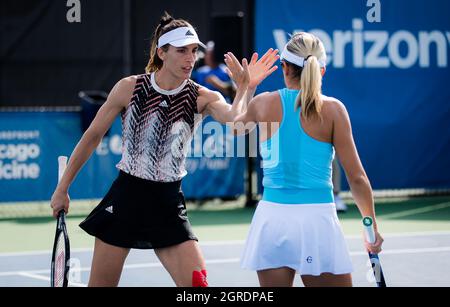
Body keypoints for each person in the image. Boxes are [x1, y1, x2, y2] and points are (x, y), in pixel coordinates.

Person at [50, 12, 279, 287]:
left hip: (167, 203)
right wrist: (63, 188)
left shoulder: (204, 97)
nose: (190, 58)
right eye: (182, 51)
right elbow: (92, 136)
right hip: (126, 198)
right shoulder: (129, 88)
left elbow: (238, 126)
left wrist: (245, 88)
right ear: (162, 53)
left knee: (198, 289)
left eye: (194, 51)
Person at [228, 32, 384, 287]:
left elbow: (235, 127)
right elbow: (357, 178)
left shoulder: (262, 103)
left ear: (284, 67)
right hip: (317, 221)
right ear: (321, 71)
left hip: (272, 220)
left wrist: (246, 86)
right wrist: (371, 227)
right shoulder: (334, 110)